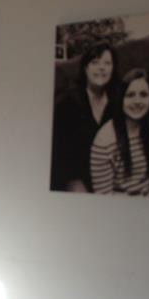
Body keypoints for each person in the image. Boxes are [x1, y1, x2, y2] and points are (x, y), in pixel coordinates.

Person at [51, 41, 118, 192]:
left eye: (107, 63)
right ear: (85, 68)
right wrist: (73, 183)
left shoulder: (117, 101)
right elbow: (59, 155)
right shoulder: (66, 102)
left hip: (106, 178)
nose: (101, 67)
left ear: (113, 68)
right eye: (95, 62)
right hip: (73, 179)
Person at [90, 68, 149, 196]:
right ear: (121, 99)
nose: (137, 101)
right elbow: (103, 199)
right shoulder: (104, 141)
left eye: (143, 94)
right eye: (130, 95)